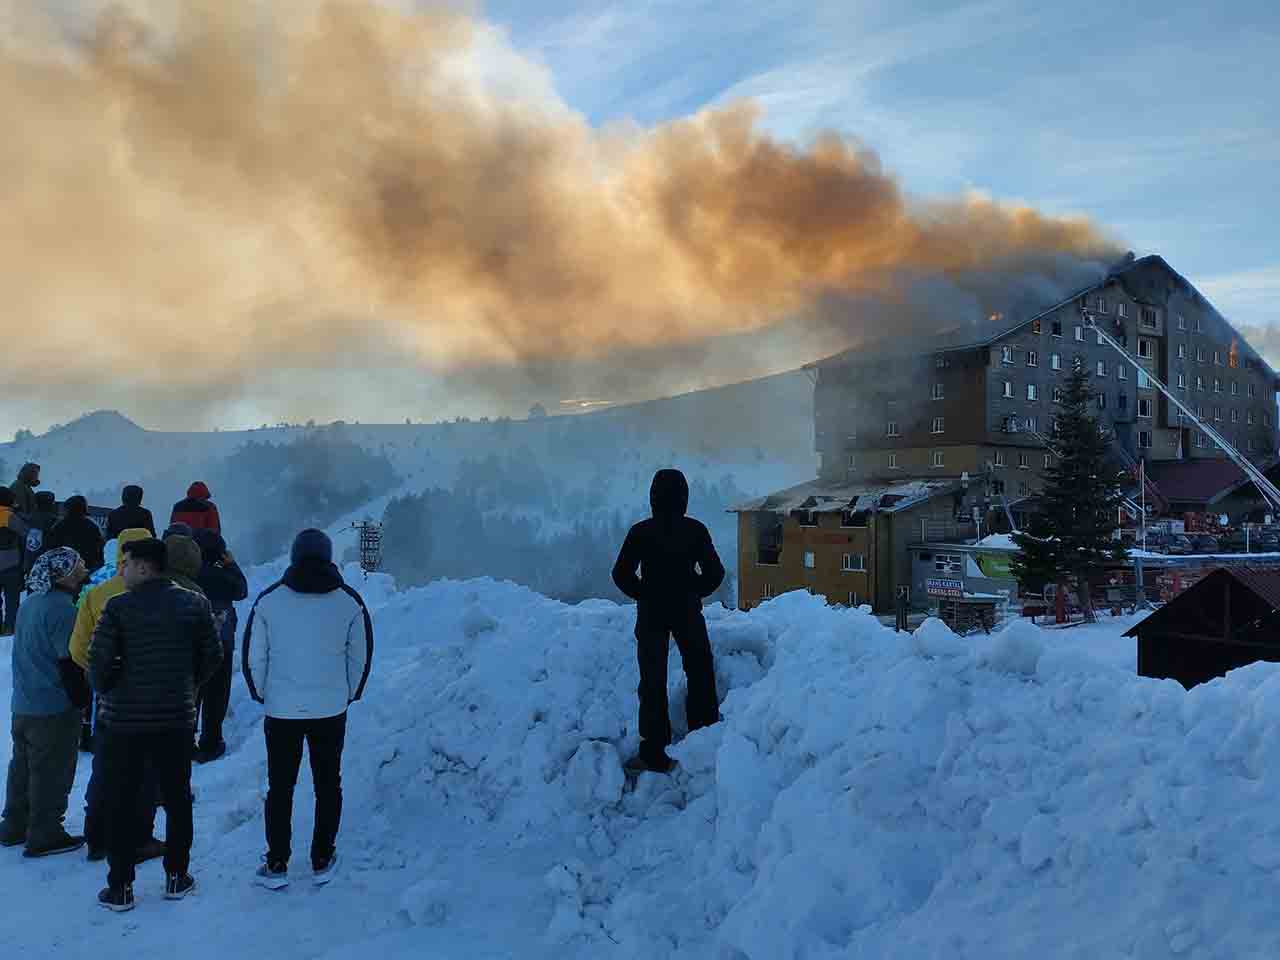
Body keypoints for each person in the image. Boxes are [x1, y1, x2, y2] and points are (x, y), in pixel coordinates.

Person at [89, 537, 221, 912]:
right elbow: (213, 654)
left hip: (123, 725)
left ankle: (121, 888)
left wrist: (111, 687)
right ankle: (177, 877)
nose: (122, 570)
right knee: (177, 798)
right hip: (175, 720)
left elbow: (97, 667)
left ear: (145, 567)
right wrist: (187, 684)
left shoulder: (117, 608)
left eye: (126, 563)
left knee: (122, 800)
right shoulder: (194, 604)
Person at [243, 529, 372, 889]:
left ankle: (277, 862)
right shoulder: (349, 602)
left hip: (281, 710)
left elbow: (255, 657)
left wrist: (263, 694)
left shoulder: (270, 601)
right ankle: (321, 856)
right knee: (328, 783)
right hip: (330, 709)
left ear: (294, 557)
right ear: (329, 557)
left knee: (281, 786)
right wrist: (347, 694)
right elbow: (359, 657)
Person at [611, 468, 725, 774]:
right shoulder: (695, 530)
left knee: (652, 680)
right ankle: (703, 739)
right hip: (687, 611)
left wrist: (644, 593)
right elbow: (716, 573)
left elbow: (620, 574)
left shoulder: (640, 532)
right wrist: (692, 592)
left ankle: (654, 752)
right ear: (684, 498)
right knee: (699, 671)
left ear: (653, 497)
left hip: (651, 613)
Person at [70, 528, 162, 863]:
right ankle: (139, 839)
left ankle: (97, 838)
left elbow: (77, 649)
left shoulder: (97, 593)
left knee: (106, 766)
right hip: (153, 698)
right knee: (146, 770)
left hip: (108, 695)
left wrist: (99, 677)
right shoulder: (169, 592)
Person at [0, 548, 91, 857]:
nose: (83, 567)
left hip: (24, 703)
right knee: (51, 770)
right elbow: (70, 663)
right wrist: (82, 700)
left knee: (22, 767)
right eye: (77, 564)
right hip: (53, 707)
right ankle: (45, 833)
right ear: (62, 573)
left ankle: (14, 825)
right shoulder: (63, 609)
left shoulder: (30, 603)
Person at [192, 530, 248, 764]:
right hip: (221, 641)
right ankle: (211, 742)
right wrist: (232, 565)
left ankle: (185, 741)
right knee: (217, 694)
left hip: (192, 643)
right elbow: (242, 590)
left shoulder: (190, 573)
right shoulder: (223, 574)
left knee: (192, 694)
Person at [47, 495, 105, 573]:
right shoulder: (93, 526)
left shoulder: (59, 526)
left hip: (63, 570)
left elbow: (51, 549)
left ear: (67, 509)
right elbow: (100, 552)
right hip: (87, 569)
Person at [0, 488, 29, 637]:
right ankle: (10, 628)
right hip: (11, 564)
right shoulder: (9, 516)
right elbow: (25, 532)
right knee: (12, 600)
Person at [22, 492, 60, 575]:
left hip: (28, 563)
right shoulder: (55, 521)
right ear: (51, 504)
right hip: (45, 565)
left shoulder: (27, 518)